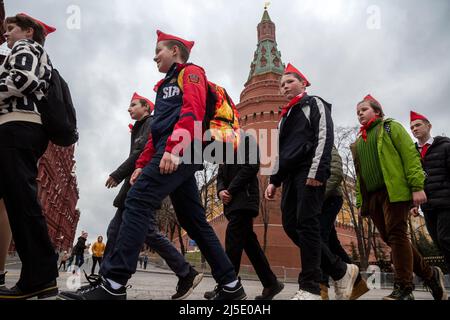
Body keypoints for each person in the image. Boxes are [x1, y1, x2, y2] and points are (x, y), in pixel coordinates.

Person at [58, 30, 245, 300]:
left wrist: (174, 148)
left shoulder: (191, 72)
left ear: (175, 51)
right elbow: (157, 131)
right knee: (194, 222)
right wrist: (141, 163)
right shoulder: (166, 86)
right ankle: (231, 286)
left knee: (137, 200)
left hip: (181, 150)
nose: (154, 55)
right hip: (175, 150)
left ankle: (113, 284)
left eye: (159, 50)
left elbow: (193, 110)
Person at [102, 92, 202, 300]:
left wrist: (117, 174)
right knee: (125, 230)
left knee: (130, 230)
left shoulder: (151, 123)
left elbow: (141, 154)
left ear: (146, 108)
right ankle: (107, 280)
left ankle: (109, 282)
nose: (129, 109)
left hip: (141, 184)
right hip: (137, 183)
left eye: (133, 105)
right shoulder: (141, 126)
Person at [351, 94, 446, 300]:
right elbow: (359, 176)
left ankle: (404, 288)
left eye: (364, 110)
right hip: (373, 196)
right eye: (357, 112)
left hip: (394, 190)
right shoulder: (358, 142)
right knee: (393, 239)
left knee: (396, 234)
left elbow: (409, 156)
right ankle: (431, 276)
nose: (360, 114)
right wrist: (360, 201)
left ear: (377, 111)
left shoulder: (390, 127)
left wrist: (417, 186)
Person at [264, 63, 336, 300]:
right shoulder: (286, 116)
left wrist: (317, 171)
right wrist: (274, 181)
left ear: (303, 83)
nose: (284, 87)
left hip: (308, 171)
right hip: (291, 176)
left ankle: (311, 287)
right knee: (291, 225)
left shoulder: (314, 103)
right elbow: (282, 152)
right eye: (282, 85)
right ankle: (341, 270)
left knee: (307, 224)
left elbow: (324, 136)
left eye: (289, 82)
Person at [0, 13, 58, 300]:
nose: (6, 34)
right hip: (19, 127)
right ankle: (41, 276)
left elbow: (22, 79)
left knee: (21, 201)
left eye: (10, 29)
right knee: (17, 199)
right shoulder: (28, 48)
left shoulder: (25, 48)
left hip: (18, 126)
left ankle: (41, 276)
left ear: (29, 32)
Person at [204, 134, 284, 300]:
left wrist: (230, 190)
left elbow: (252, 166)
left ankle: (228, 285)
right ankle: (271, 283)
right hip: (232, 203)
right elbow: (220, 176)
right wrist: (220, 191)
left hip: (244, 200)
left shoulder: (247, 140)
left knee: (233, 240)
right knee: (249, 243)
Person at [319, 146, 369, 300]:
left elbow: (336, 172)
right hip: (319, 201)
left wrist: (317, 198)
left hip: (330, 198)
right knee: (332, 244)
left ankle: (321, 287)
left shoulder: (325, 141)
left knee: (319, 238)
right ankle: (358, 284)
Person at [409, 110, 449, 299]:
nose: (414, 129)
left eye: (417, 125)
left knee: (446, 238)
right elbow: (413, 180)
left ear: (429, 126)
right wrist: (414, 203)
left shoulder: (445, 146)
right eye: (412, 127)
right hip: (428, 205)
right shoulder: (412, 152)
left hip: (447, 201)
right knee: (441, 243)